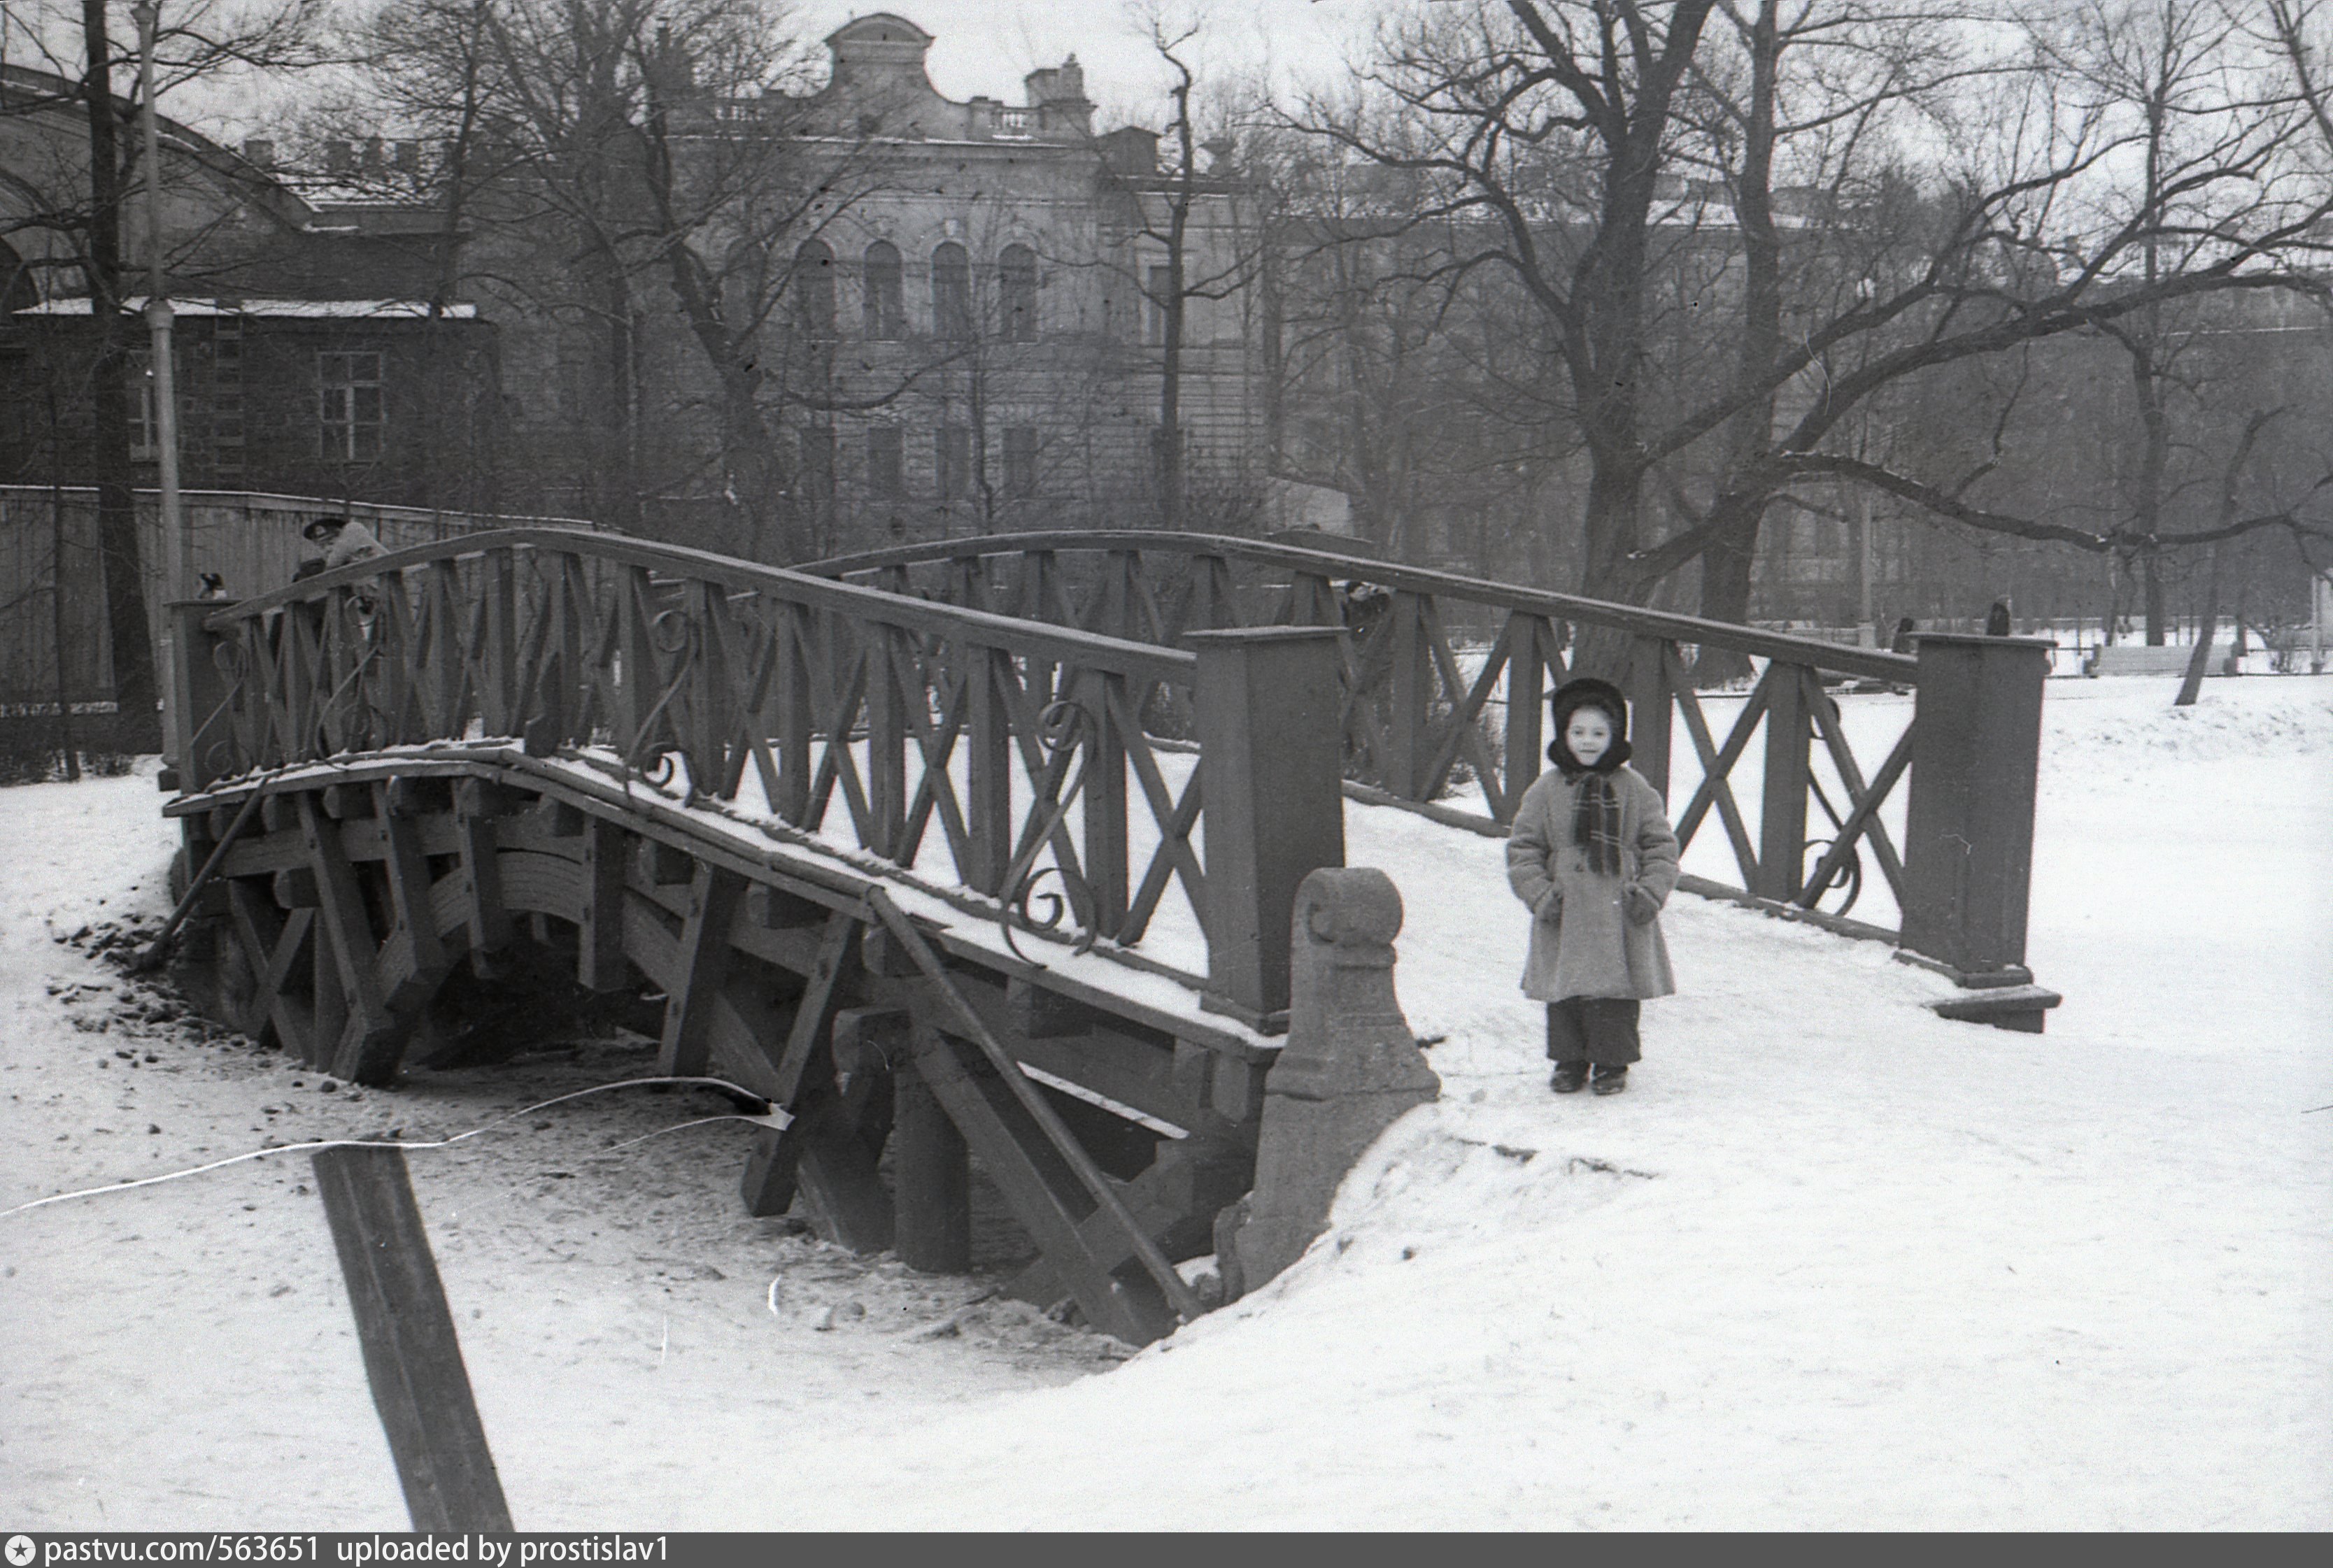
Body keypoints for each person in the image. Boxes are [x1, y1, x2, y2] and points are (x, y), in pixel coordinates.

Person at [1505, 677, 1681, 1097]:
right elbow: (1523, 848)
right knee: (1565, 990)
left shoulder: (1633, 788)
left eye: (1599, 733)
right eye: (1578, 732)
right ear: (1564, 734)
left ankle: (1612, 1063)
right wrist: (1540, 894)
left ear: (1615, 735)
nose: (1588, 742)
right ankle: (1570, 1062)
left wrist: (1651, 892)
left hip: (1619, 907)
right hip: (1563, 908)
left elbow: (1661, 846)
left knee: (1614, 990)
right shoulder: (1545, 790)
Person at [293, 514, 386, 580]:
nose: (328, 549)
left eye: (331, 543)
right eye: (322, 546)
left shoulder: (362, 553)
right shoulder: (311, 570)